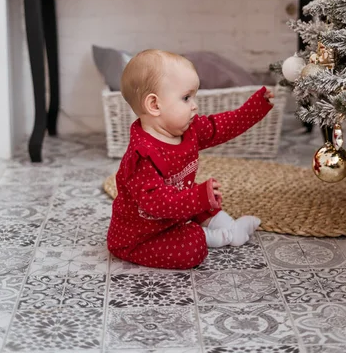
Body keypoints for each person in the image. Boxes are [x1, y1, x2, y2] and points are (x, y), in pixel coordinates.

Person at [107, 49, 274, 269]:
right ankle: (216, 235)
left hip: (173, 213)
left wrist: (255, 107)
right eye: (186, 98)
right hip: (142, 236)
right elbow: (158, 204)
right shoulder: (142, 157)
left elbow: (222, 126)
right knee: (192, 248)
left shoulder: (188, 130)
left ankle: (232, 229)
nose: (195, 105)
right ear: (154, 105)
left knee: (200, 198)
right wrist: (197, 198)